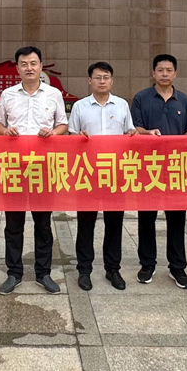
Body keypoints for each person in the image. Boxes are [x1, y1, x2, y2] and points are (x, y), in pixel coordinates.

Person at [0, 46, 68, 295]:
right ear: (17, 68)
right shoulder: (8, 94)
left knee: (43, 223)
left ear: (41, 66)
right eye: (24, 64)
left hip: (43, 167)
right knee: (13, 224)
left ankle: (43, 273)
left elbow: (63, 124)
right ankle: (14, 273)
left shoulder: (53, 94)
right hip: (14, 166)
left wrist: (53, 132)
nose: (29, 68)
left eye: (33, 63)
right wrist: (5, 131)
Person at [68, 61, 135, 292]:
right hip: (88, 173)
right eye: (97, 77)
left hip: (115, 174)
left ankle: (112, 269)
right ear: (90, 81)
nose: (102, 81)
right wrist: (79, 137)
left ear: (112, 80)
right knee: (85, 224)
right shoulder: (80, 106)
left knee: (114, 224)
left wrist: (132, 134)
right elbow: (71, 137)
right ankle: (84, 270)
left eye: (106, 77)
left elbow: (129, 132)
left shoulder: (122, 105)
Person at [131, 53, 187, 289]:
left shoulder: (185, 101)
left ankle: (177, 267)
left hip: (177, 169)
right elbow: (135, 128)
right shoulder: (141, 98)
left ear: (175, 73)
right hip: (148, 168)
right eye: (160, 70)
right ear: (153, 73)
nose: (165, 74)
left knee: (177, 220)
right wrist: (146, 133)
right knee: (146, 219)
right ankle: (147, 264)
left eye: (169, 70)